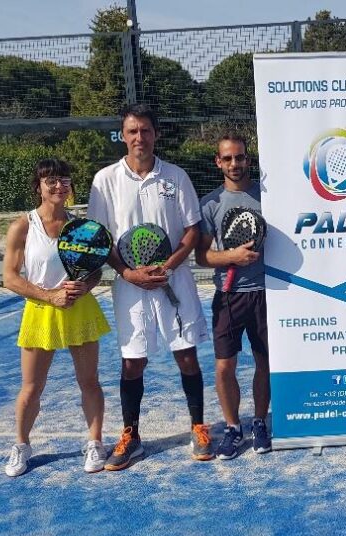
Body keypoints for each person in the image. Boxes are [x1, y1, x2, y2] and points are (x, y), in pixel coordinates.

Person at [87, 104, 213, 469]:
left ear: (155, 134)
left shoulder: (175, 177)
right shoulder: (104, 180)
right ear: (123, 136)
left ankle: (199, 427)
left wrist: (169, 266)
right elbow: (99, 238)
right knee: (132, 363)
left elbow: (191, 230)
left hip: (174, 281)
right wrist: (128, 273)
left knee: (186, 355)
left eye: (145, 130)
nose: (139, 138)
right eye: (132, 131)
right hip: (130, 286)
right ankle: (131, 434)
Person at [2, 158, 111, 477]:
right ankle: (21, 445)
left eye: (64, 180)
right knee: (31, 388)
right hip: (40, 311)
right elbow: (10, 277)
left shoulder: (81, 228)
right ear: (38, 187)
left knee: (89, 382)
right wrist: (50, 296)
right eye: (51, 180)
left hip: (80, 309)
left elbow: (95, 273)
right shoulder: (23, 226)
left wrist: (83, 286)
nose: (59, 186)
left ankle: (94, 442)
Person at [195, 134, 271, 459]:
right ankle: (232, 427)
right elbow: (202, 257)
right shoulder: (210, 204)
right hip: (228, 296)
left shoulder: (269, 197)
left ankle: (258, 422)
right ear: (218, 162)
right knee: (225, 366)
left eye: (239, 158)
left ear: (247, 160)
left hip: (267, 293)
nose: (234, 164)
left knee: (264, 363)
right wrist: (232, 258)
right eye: (228, 159)